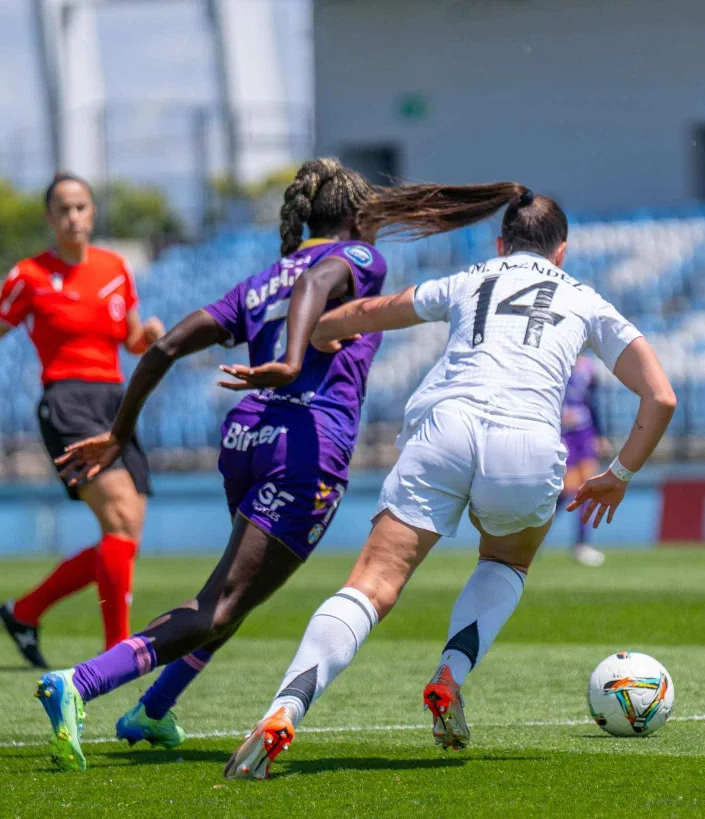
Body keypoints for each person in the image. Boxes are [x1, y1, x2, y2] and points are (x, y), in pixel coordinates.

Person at [224, 182, 677, 780]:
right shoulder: (585, 300)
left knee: (373, 583)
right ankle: (450, 676)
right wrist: (618, 475)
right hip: (526, 441)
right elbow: (660, 396)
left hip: (445, 426)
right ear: (561, 251)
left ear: (500, 243)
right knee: (507, 563)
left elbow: (368, 312)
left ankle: (285, 707)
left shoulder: (471, 279)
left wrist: (323, 331)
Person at [32, 158, 395, 772]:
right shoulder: (360, 259)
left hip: (246, 439)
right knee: (221, 603)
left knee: (234, 594)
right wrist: (290, 359)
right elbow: (314, 286)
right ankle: (82, 682)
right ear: (357, 218)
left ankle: (152, 711)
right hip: (306, 445)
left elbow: (166, 346)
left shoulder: (257, 283)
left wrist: (120, 433)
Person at [0, 173, 165, 668]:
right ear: (49, 217)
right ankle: (117, 656)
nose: (73, 217)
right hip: (67, 402)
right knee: (121, 519)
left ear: (92, 212)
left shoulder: (116, 269)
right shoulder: (29, 275)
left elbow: (128, 340)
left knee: (127, 533)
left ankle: (25, 612)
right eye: (63, 209)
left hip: (116, 402)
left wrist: (146, 335)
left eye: (81, 207)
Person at [560, 354, 610, 567]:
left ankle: (582, 544)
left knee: (587, 488)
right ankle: (532, 535)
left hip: (585, 432)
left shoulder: (588, 367)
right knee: (564, 491)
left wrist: (600, 434)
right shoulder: (555, 360)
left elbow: (593, 402)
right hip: (563, 433)